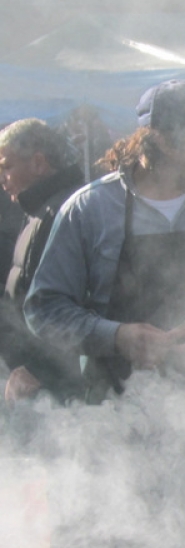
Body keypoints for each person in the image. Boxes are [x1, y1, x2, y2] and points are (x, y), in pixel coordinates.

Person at [24, 80, 185, 400]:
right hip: (117, 410)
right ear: (163, 142)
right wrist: (116, 337)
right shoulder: (90, 209)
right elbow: (44, 309)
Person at [0, 118, 87, 403]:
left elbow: (67, 304)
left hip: (54, 384)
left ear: (38, 163)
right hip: (32, 377)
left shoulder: (62, 213)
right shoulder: (37, 209)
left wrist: (39, 368)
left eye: (6, 166)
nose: (2, 178)